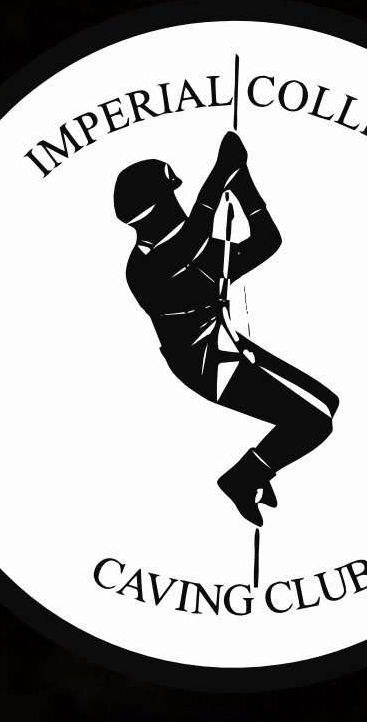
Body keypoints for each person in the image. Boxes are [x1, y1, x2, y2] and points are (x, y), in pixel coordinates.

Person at [113, 129, 340, 524]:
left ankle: (259, 469)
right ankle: (242, 478)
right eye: (172, 199)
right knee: (314, 423)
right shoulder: (147, 268)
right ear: (155, 210)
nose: (181, 207)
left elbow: (267, 242)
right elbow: (191, 239)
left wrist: (241, 182)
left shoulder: (196, 253)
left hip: (228, 347)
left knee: (328, 404)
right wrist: (221, 174)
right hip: (207, 365)